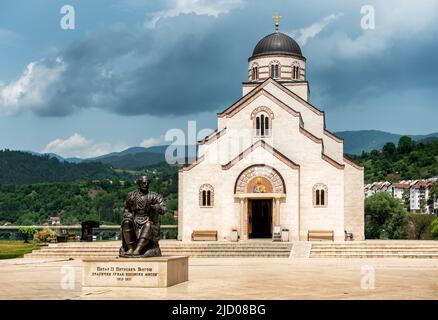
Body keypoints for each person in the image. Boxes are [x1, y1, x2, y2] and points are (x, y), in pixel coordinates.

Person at [119, 176, 167, 257]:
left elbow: (164, 208)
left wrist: (157, 207)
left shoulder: (155, 196)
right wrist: (128, 214)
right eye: (144, 183)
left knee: (148, 225)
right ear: (139, 183)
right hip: (135, 220)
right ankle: (131, 248)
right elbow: (126, 209)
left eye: (147, 183)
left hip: (149, 221)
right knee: (126, 222)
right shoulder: (132, 196)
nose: (146, 184)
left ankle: (138, 250)